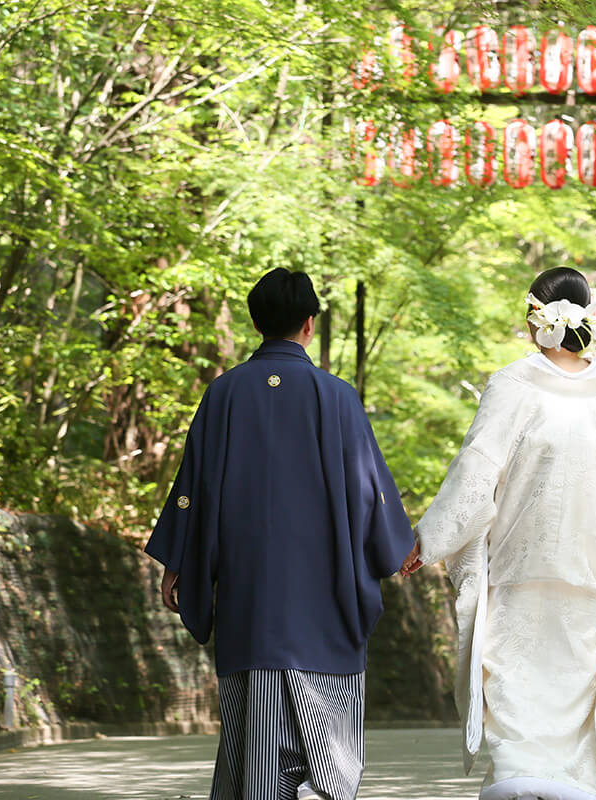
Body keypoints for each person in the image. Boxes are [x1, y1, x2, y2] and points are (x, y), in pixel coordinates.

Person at [145, 268, 416, 800]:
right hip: (325, 597)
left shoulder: (223, 394)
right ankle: (321, 785)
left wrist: (179, 561)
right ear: (309, 324)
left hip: (248, 597)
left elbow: (193, 489)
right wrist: (397, 548)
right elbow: (371, 494)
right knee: (326, 724)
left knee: (253, 732)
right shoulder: (337, 398)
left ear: (256, 323)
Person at [401, 267, 596, 800]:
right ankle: (571, 784)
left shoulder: (513, 383)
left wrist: (430, 538)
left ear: (536, 316)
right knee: (575, 683)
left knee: (513, 677)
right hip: (590, 568)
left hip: (520, 560)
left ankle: (516, 778)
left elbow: (477, 470)